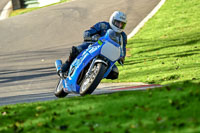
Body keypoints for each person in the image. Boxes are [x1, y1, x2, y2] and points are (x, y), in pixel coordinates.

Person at [59, 11, 127, 80]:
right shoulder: (103, 25)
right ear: (112, 20)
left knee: (115, 73)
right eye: (118, 23)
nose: (120, 26)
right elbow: (87, 32)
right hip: (94, 45)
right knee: (76, 50)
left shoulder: (123, 36)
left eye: (122, 24)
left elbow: (123, 48)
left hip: (108, 55)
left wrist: (122, 57)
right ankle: (64, 68)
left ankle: (95, 76)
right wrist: (92, 37)